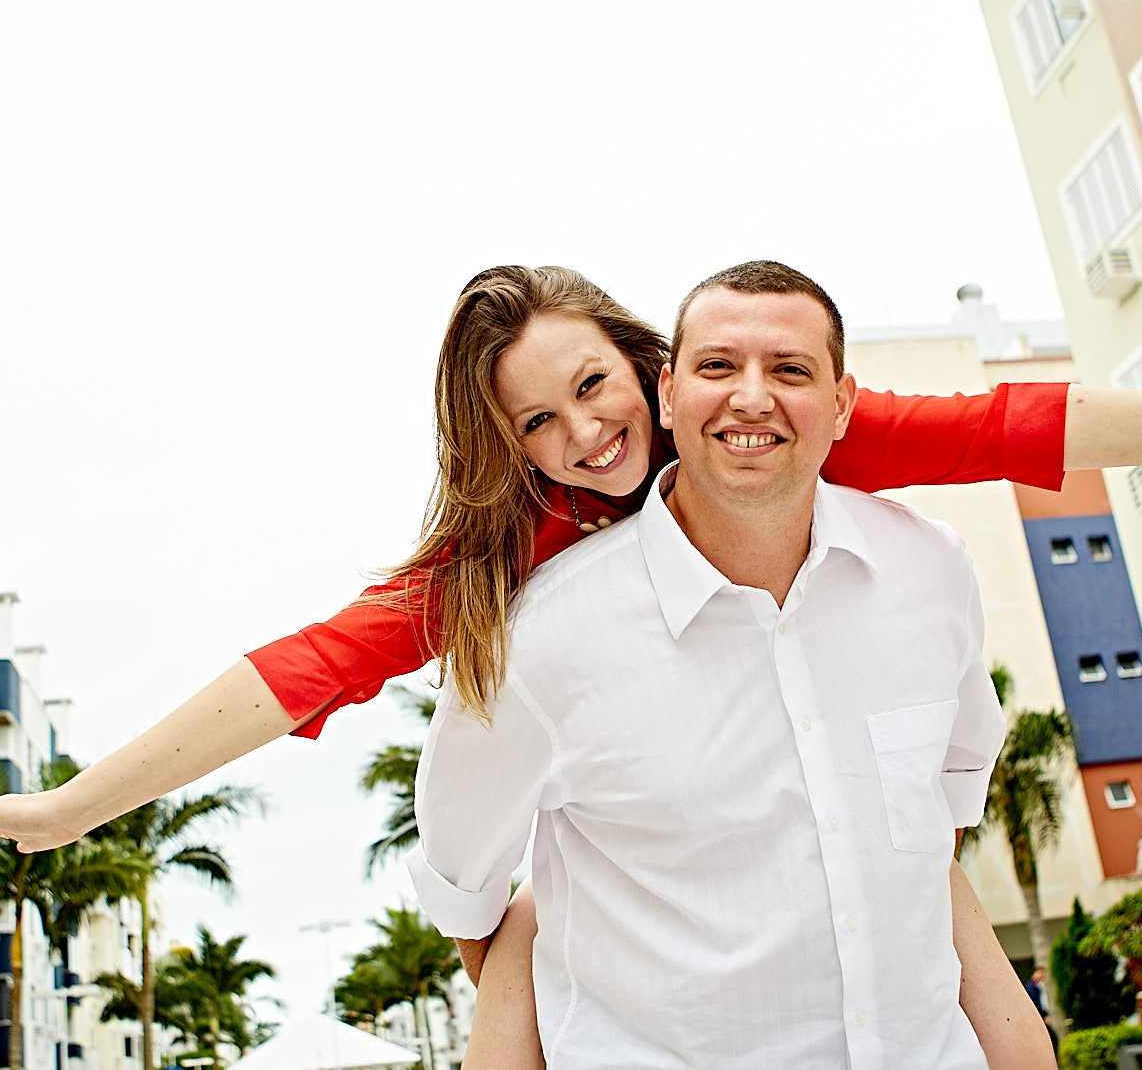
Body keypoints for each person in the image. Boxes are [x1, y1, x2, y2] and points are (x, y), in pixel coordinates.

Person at [0, 264, 1142, 1068]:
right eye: (536, 424)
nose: (584, 437)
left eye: (592, 386)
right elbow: (293, 674)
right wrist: (77, 806)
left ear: (646, 366)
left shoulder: (781, 429)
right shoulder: (511, 572)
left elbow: (1026, 424)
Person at [410, 261, 1053, 1065]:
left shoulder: (931, 570)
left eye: (790, 369)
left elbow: (935, 831)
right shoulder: (536, 641)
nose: (753, 396)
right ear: (669, 394)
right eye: (718, 366)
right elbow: (465, 893)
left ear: (843, 404)